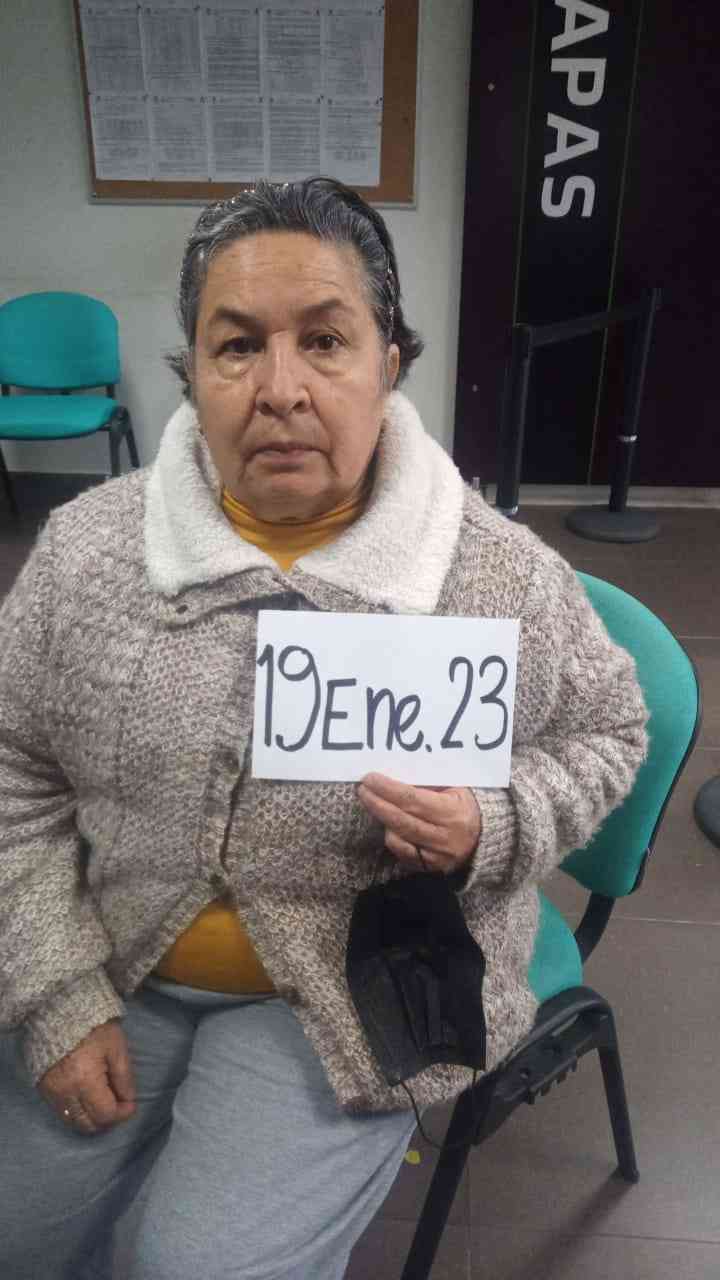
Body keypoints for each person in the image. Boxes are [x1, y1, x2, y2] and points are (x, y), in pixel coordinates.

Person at [0, 177, 648, 1280]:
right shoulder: (87, 553)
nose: (280, 389)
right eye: (236, 346)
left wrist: (492, 822)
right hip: (119, 951)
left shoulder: (495, 575)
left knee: (192, 1268)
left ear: (389, 361)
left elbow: (609, 730)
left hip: (353, 990)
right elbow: (14, 768)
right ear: (193, 373)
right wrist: (59, 993)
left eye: (326, 340)